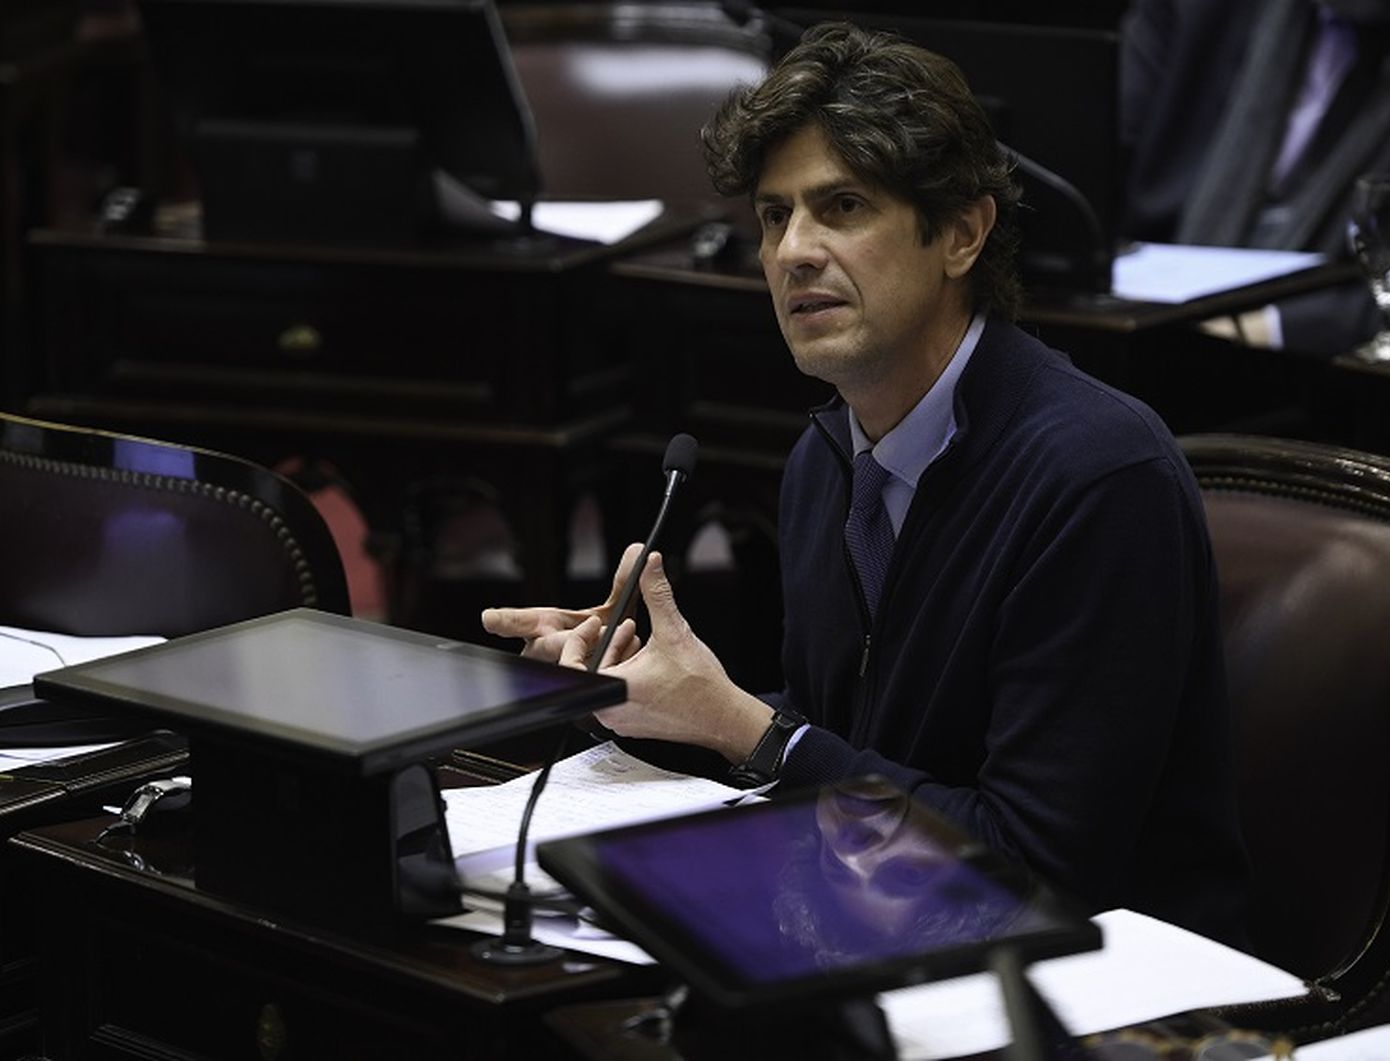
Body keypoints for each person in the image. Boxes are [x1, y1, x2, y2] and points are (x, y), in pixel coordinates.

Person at [485, 22, 1249, 947]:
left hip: (1106, 990)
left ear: (963, 232)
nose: (794, 251)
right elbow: (845, 742)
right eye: (774, 217)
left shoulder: (1095, 479)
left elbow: (1039, 866)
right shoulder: (827, 459)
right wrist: (653, 699)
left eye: (841, 207)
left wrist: (750, 730)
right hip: (880, 940)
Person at [1120, 0, 1390, 356]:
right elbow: (1089, 168)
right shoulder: (1200, 10)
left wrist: (1281, 327)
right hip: (1142, 326)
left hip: (1351, 374)